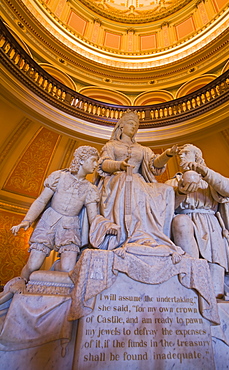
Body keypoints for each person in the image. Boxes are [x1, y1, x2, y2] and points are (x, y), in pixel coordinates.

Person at [10, 145, 118, 282]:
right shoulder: (58, 177)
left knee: (67, 269)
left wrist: (106, 226)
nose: (96, 165)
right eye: (93, 160)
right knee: (33, 265)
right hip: (49, 221)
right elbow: (41, 200)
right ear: (81, 160)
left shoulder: (91, 189)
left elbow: (93, 217)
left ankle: (52, 275)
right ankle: (20, 284)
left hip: (71, 227)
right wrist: (27, 220)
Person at [94, 110, 184, 261]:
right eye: (130, 123)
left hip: (138, 182)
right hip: (117, 180)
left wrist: (167, 154)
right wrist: (119, 165)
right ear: (121, 126)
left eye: (136, 125)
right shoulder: (111, 145)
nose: (134, 127)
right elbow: (103, 164)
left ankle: (160, 238)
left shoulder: (142, 149)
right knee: (128, 179)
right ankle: (133, 234)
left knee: (167, 190)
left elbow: (153, 165)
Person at [165, 143, 229, 298]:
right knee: (191, 279)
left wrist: (205, 172)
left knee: (216, 285)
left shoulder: (210, 181)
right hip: (183, 225)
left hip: (210, 228)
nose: (181, 156)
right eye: (180, 153)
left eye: (186, 153)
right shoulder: (173, 183)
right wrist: (181, 192)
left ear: (197, 157)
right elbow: (163, 210)